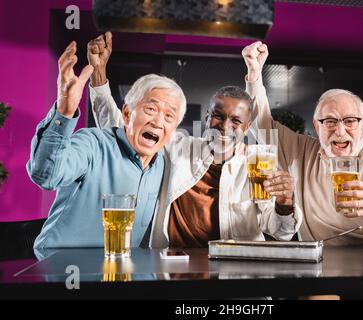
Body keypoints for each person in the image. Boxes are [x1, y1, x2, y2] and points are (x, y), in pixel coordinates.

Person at [87, 33, 302, 248]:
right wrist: (98, 73)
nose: (225, 127)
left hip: (236, 272)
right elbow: (126, 129)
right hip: (172, 268)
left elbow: (281, 232)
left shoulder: (258, 166)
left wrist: (285, 203)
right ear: (207, 117)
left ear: (246, 127)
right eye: (218, 116)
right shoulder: (178, 148)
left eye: (236, 121)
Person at [242, 41, 363, 252]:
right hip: (320, 268)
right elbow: (261, 123)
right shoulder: (302, 150)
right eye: (330, 122)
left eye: (350, 121)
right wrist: (254, 73)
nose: (340, 131)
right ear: (317, 125)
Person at [27, 41, 185, 249]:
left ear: (173, 128)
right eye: (151, 109)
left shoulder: (162, 165)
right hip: (61, 267)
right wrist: (64, 112)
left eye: (169, 116)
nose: (157, 122)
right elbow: (46, 176)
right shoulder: (93, 144)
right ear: (127, 114)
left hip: (118, 269)